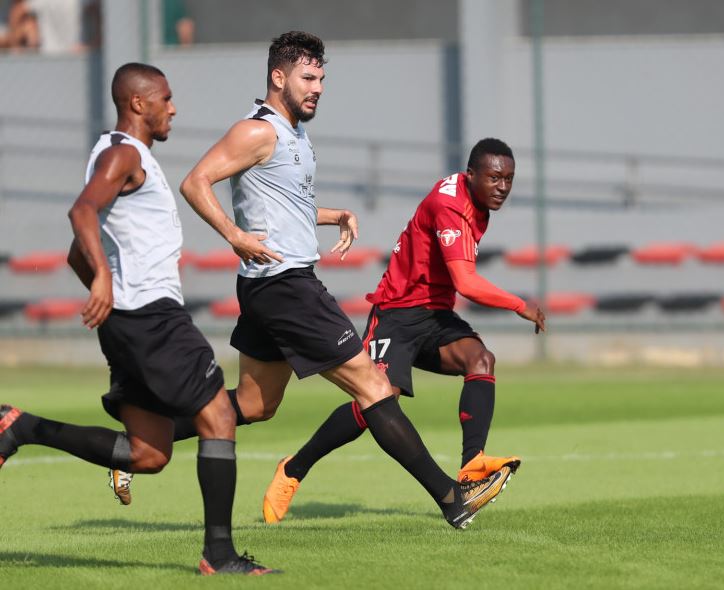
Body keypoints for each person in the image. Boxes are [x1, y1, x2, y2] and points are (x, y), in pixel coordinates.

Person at [172, 30, 514, 530]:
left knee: (254, 404)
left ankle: (143, 438)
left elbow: (285, 206)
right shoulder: (257, 131)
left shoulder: (294, 135)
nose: (317, 88)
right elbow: (194, 181)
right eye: (308, 78)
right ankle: (452, 498)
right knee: (374, 386)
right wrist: (234, 234)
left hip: (269, 285)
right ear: (278, 77)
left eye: (321, 79)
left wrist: (334, 215)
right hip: (286, 285)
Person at [0, 63, 277, 576]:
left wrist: (108, 291)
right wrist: (107, 282)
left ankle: (21, 427)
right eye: (165, 99)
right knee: (219, 416)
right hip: (153, 319)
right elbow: (81, 214)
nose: (173, 108)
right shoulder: (123, 153)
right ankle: (219, 555)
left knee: (149, 454)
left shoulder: (120, 156)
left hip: (131, 321)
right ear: (137, 104)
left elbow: (76, 253)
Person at [261, 138, 545, 523]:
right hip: (396, 313)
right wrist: (520, 304)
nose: (503, 186)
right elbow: (466, 282)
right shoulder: (450, 205)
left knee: (480, 360)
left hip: (435, 314)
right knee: (377, 401)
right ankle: (294, 468)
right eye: (494, 178)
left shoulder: (476, 203)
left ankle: (472, 465)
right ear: (471, 175)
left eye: (509, 179)